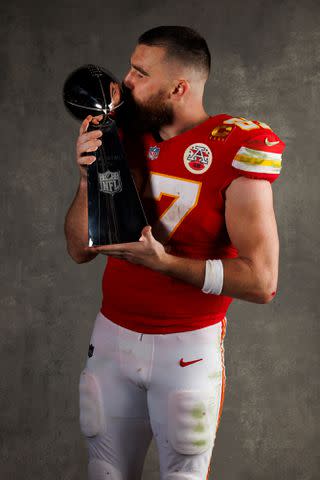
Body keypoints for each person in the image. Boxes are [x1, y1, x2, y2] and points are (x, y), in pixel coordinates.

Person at [64, 26, 285, 480]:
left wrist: (163, 263)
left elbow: (262, 282)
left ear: (178, 87)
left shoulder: (234, 146)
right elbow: (78, 250)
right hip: (111, 340)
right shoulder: (119, 133)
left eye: (140, 73)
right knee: (104, 472)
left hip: (186, 349)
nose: (124, 80)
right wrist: (87, 181)